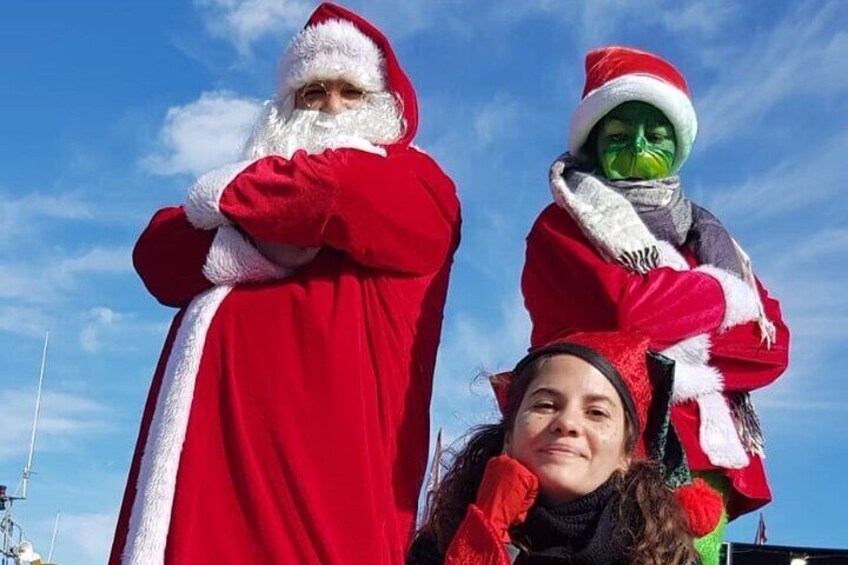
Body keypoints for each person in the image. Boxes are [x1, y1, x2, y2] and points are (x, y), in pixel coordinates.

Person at [109, 3, 461, 564]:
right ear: (283, 108)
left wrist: (223, 200)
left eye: (351, 92)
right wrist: (246, 243)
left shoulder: (419, 184)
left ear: (386, 107)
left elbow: (337, 193)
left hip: (322, 516)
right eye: (312, 92)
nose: (331, 108)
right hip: (200, 501)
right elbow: (156, 254)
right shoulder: (253, 205)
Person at [521, 46, 789, 564]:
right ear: (594, 145)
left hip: (703, 470)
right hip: (603, 455)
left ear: (678, 146)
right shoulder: (564, 227)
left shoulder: (713, 241)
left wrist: (677, 317)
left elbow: (772, 347)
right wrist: (722, 295)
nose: (639, 146)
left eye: (655, 134)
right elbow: (632, 312)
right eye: (619, 136)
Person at [409, 330, 716, 564]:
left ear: (626, 454)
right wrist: (486, 529)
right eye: (545, 404)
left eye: (596, 413)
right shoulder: (440, 543)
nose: (567, 422)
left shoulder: (664, 557)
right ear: (509, 435)